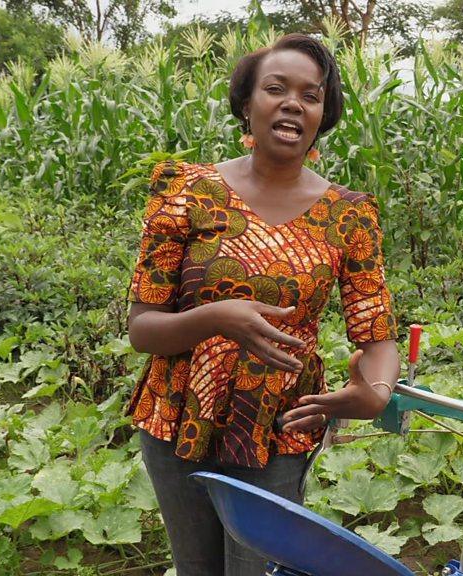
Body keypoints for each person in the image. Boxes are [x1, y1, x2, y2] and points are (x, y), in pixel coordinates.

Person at [124, 33, 401, 575]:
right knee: (197, 568)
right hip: (176, 416)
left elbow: (377, 334)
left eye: (311, 95)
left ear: (323, 115)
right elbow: (143, 328)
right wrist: (217, 318)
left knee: (256, 569)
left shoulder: (349, 216)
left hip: (277, 425)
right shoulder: (187, 192)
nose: (293, 102)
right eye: (276, 88)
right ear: (246, 104)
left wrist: (374, 393)